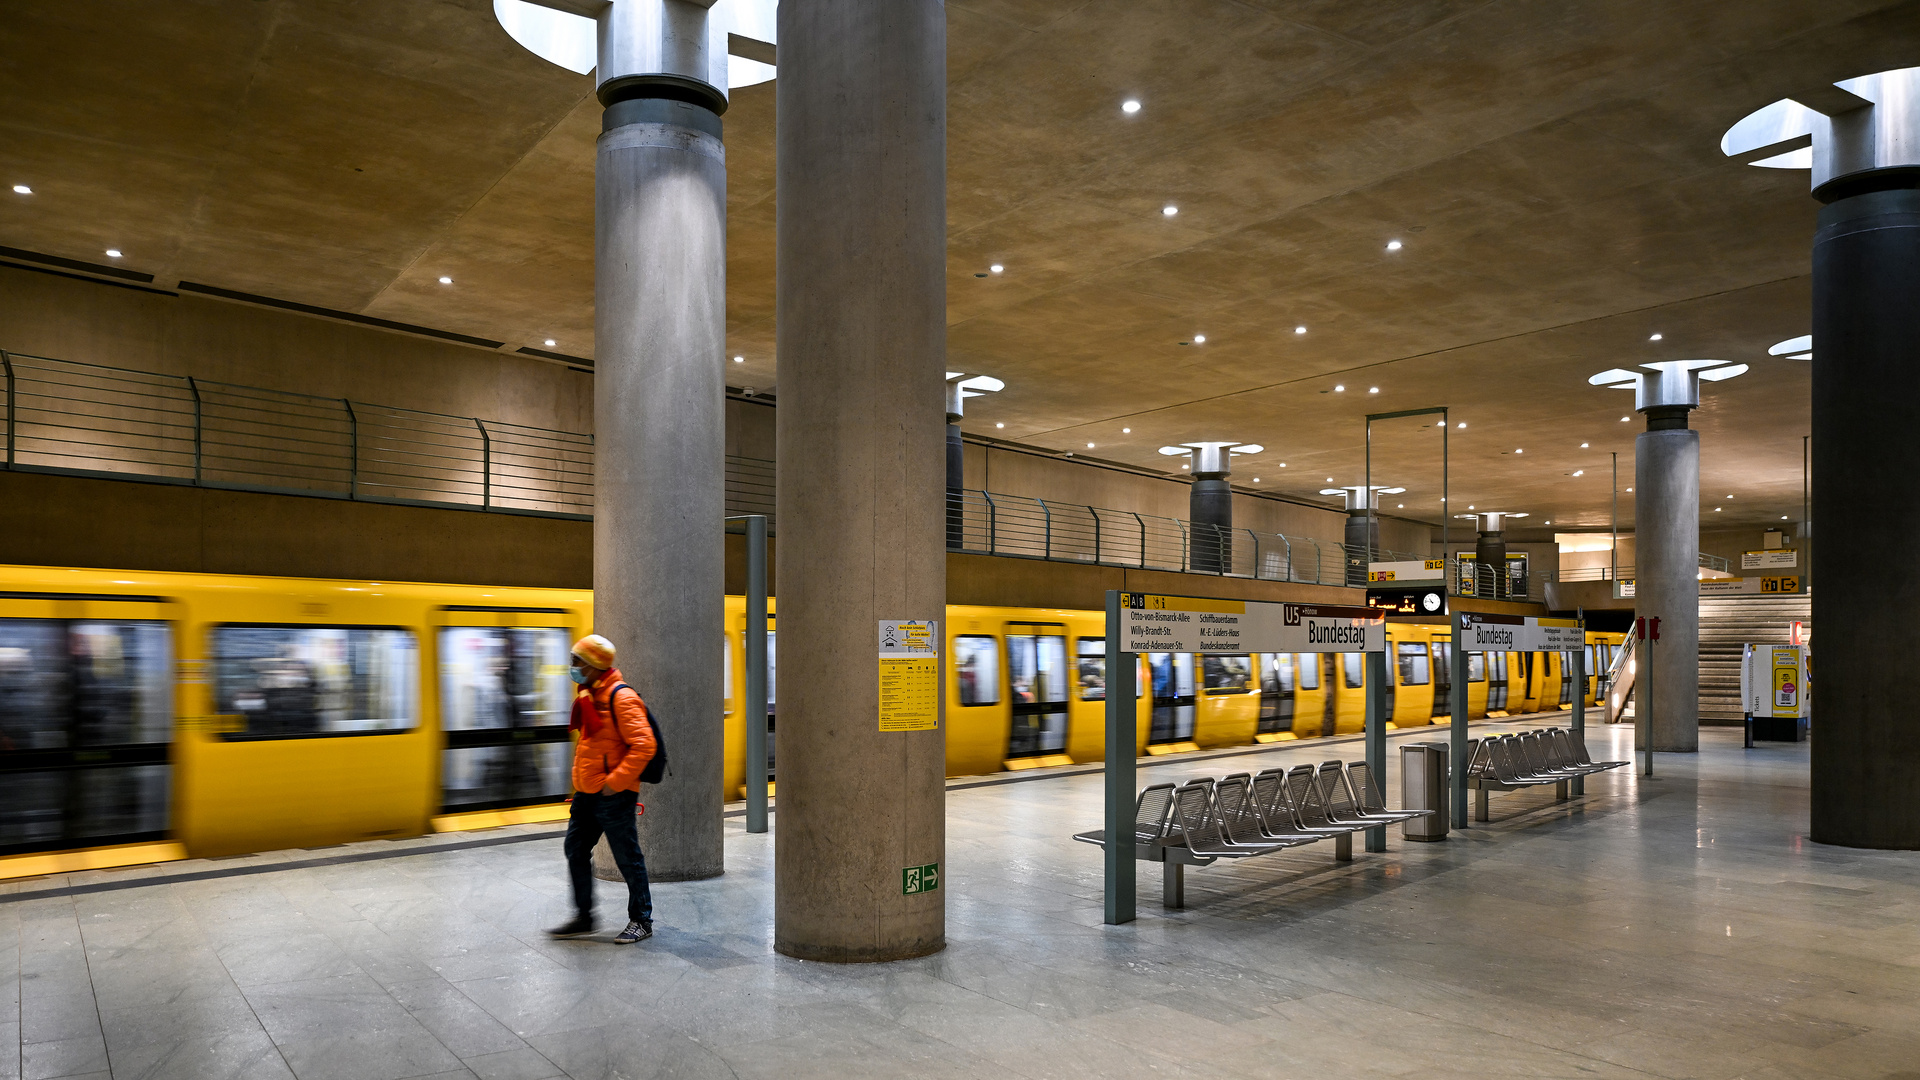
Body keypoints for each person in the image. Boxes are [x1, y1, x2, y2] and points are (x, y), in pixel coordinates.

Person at [547, 634, 656, 944]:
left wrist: (615, 783)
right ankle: (584, 917)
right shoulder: (588, 696)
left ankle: (642, 920)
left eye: (577, 662)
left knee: (627, 857)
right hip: (587, 793)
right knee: (576, 849)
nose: (572, 667)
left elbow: (644, 744)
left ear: (594, 665)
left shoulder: (620, 698)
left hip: (613, 795)